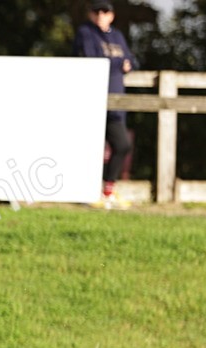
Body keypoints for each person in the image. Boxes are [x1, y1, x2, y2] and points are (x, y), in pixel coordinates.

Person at [74, 0, 138, 209]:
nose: (101, 14)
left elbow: (133, 61)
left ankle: (107, 192)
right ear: (91, 14)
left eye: (105, 11)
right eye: (96, 11)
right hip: (93, 100)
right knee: (89, 148)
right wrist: (120, 64)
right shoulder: (85, 32)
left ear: (111, 15)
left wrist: (123, 64)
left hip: (115, 102)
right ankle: (85, 192)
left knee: (122, 145)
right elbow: (94, 61)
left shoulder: (117, 36)